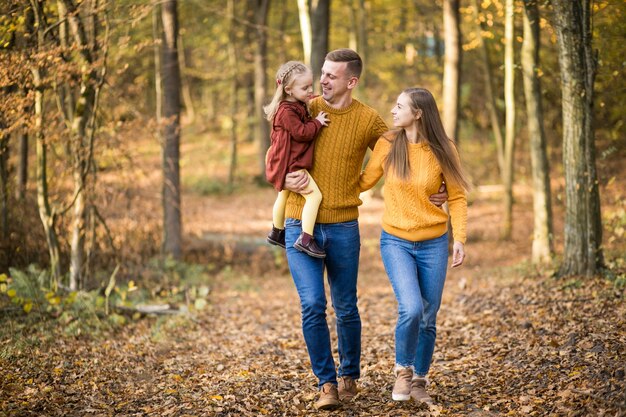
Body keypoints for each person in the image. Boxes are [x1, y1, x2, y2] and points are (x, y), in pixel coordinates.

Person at [282, 49, 449, 410]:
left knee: (345, 307)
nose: (322, 80)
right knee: (312, 304)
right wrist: (279, 177)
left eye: (330, 75)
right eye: (322, 74)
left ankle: (349, 376)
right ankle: (326, 385)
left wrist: (440, 185)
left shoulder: (368, 119)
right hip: (300, 220)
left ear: (351, 81)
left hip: (343, 225)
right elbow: (277, 146)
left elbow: (408, 147)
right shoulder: (304, 109)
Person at [359, 87, 469, 405]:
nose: (393, 111)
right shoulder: (389, 144)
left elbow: (458, 195)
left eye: (399, 106)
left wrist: (459, 238)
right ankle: (403, 371)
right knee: (412, 307)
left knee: (429, 316)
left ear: (418, 113)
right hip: (396, 240)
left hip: (434, 242)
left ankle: (420, 379)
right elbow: (365, 181)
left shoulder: (443, 149)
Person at [265, 61, 330, 258]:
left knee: (283, 195)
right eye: (305, 88)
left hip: (289, 161)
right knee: (314, 197)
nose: (310, 90)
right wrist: (317, 122)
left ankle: (276, 232)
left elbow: (308, 104)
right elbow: (302, 133)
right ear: (288, 90)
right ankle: (306, 238)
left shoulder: (295, 104)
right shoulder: (286, 111)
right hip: (293, 163)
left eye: (311, 85)